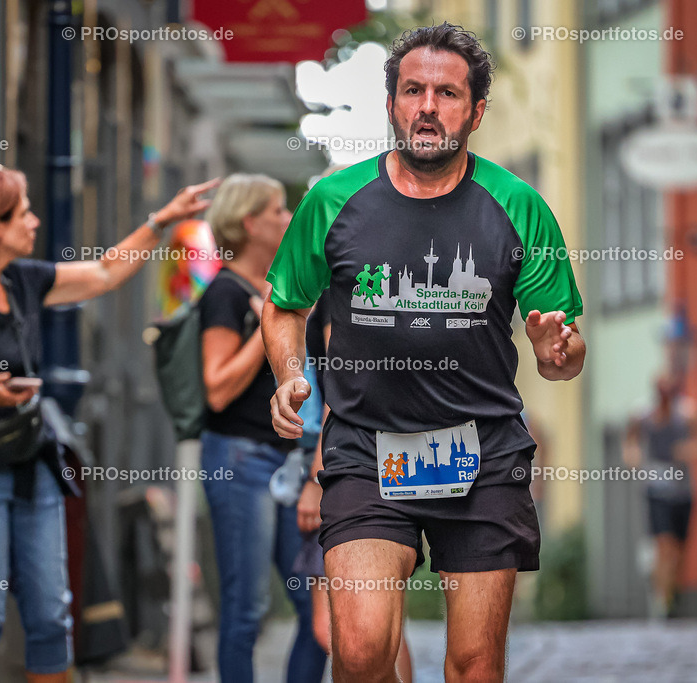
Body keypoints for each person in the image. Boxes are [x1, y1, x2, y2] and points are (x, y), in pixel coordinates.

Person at [262, 23, 586, 683]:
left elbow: (564, 355)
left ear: (476, 111)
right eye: (413, 91)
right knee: (359, 653)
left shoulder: (519, 206)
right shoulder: (333, 200)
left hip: (483, 453)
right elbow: (285, 305)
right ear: (391, 104)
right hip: (367, 450)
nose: (428, 107)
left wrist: (556, 349)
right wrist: (290, 374)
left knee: (474, 664)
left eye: (447, 93)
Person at [0, 163, 217, 681]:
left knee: (51, 618)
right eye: (23, 214)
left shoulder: (22, 280)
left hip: (33, 464)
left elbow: (105, 273)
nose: (35, 221)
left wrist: (161, 221)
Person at [198, 174, 326, 683]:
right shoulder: (226, 293)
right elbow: (216, 388)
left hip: (289, 462)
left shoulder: (286, 291)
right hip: (240, 459)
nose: (289, 217)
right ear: (249, 223)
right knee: (246, 608)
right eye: (277, 210)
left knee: (316, 606)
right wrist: (266, 328)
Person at [294, 291, 414, 682]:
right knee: (379, 625)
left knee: (347, 629)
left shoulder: (339, 286)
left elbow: (343, 386)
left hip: (350, 464)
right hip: (372, 459)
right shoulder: (338, 286)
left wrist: (318, 476)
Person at [623, 373, 697, 619]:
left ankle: (671, 592)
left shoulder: (688, 412)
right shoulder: (643, 414)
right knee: (665, 546)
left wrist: (690, 449)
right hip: (656, 488)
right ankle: (662, 603)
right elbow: (630, 442)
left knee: (680, 551)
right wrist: (633, 457)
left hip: (684, 490)